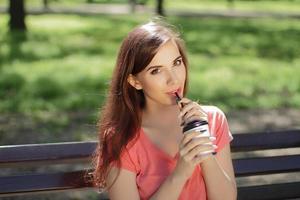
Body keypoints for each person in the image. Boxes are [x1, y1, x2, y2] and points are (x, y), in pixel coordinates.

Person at [93, 20, 237, 200]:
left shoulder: (213, 119)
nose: (173, 79)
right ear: (135, 81)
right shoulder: (121, 139)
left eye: (176, 63)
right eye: (156, 71)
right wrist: (180, 173)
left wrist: (205, 152)